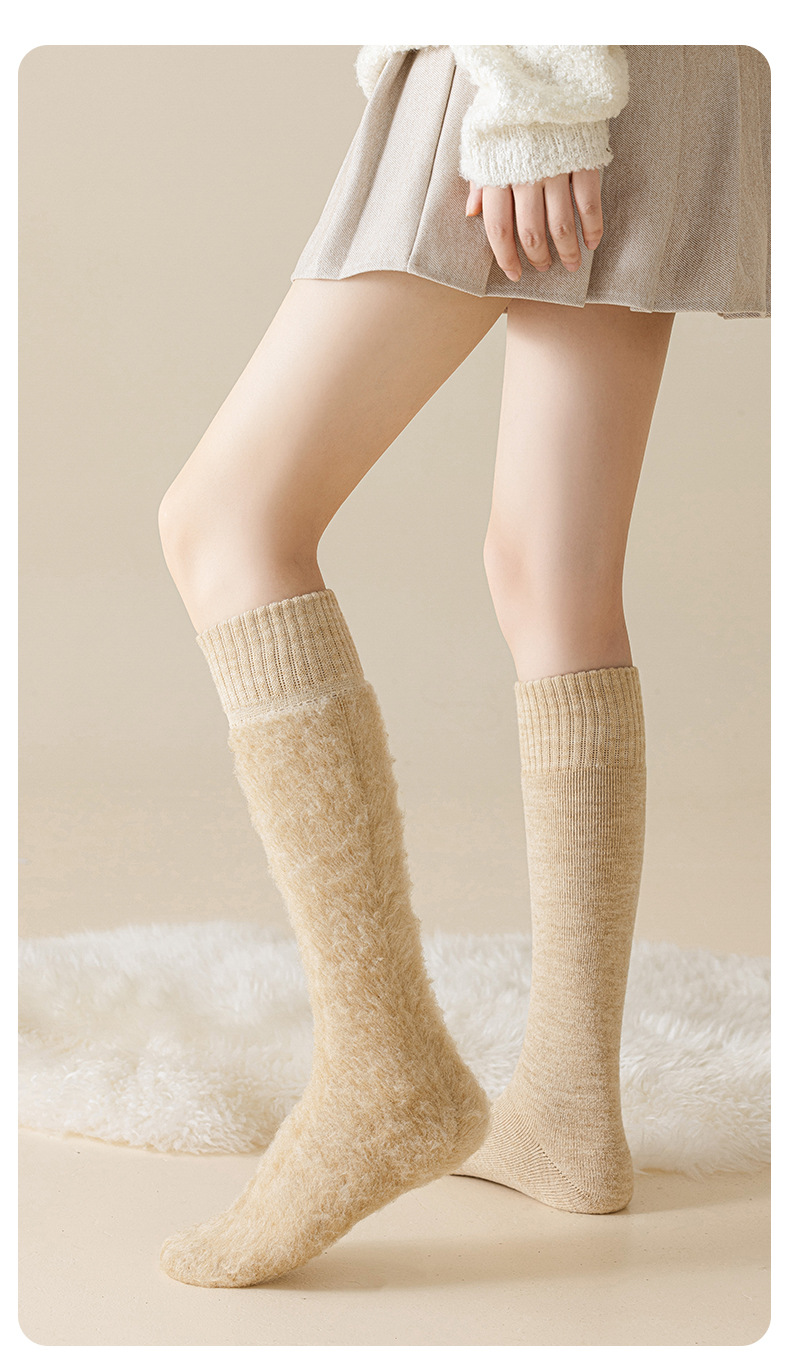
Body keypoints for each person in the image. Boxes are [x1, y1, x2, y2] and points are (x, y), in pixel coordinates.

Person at [154, 45, 770, 1287]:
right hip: (659, 63)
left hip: (531, 64)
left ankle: (379, 1068)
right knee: (550, 575)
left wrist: (536, 91)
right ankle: (568, 1108)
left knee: (225, 524)